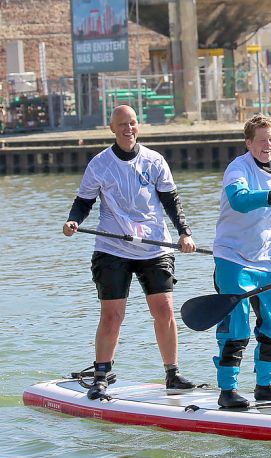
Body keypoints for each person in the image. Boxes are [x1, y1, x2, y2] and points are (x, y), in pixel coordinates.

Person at [63, 104, 199, 400]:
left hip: (154, 246)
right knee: (113, 315)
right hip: (112, 248)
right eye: (123, 124)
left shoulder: (154, 161)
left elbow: (171, 202)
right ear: (112, 129)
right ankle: (101, 376)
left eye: (133, 123)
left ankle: (172, 374)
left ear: (139, 126)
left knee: (163, 309)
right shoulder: (99, 164)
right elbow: (83, 202)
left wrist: (184, 233)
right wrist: (74, 220)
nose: (129, 129)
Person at [212, 114, 271, 409]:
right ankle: (227, 391)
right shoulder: (237, 169)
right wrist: (270, 196)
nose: (268, 145)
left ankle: (265, 386)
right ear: (249, 143)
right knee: (236, 327)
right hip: (232, 257)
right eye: (262, 140)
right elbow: (239, 200)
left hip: (268, 262)